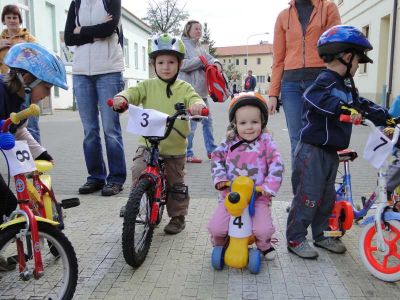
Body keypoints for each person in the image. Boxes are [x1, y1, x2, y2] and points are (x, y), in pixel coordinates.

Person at [286, 25, 393, 259]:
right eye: (357, 62)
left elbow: (362, 105)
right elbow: (313, 97)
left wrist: (387, 117)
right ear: (347, 57)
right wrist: (341, 109)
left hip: (331, 152)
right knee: (308, 197)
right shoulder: (325, 80)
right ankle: (295, 237)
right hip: (312, 151)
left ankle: (322, 234)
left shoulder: (346, 86)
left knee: (327, 199)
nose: (357, 67)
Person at [112, 34, 206, 234]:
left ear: (179, 64)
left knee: (175, 184)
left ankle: (178, 217)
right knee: (138, 168)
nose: (165, 66)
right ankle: (134, 203)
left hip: (174, 146)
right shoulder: (147, 85)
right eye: (160, 62)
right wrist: (122, 97)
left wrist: (197, 105)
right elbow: (133, 93)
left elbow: (194, 98)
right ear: (154, 64)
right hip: (148, 143)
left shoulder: (184, 87)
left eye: (171, 62)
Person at [0, 42, 68, 270]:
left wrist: (41, 152)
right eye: (47, 88)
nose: (47, 96)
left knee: (10, 205)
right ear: (27, 80)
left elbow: (19, 130)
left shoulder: (21, 101)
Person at [207, 92, 284, 259]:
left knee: (263, 229)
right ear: (235, 123)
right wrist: (220, 179)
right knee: (216, 227)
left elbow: (277, 164)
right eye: (243, 122)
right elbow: (216, 158)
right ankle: (220, 244)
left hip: (257, 196)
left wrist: (268, 187)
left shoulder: (266, 142)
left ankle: (264, 244)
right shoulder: (229, 141)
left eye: (254, 122)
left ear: (262, 121)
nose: (249, 127)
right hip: (231, 195)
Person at [64, 0, 126, 196]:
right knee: (89, 130)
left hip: (109, 70)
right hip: (82, 72)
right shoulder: (76, 3)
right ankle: (96, 177)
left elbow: (109, 29)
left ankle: (116, 179)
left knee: (110, 129)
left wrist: (80, 30)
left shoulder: (111, 1)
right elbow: (68, 38)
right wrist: (93, 33)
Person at [267, 0, 341, 164]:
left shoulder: (328, 8)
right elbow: (278, 59)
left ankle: (320, 184)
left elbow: (336, 48)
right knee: (296, 138)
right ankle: (300, 186)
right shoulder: (283, 16)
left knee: (320, 135)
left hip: (319, 81)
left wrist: (336, 82)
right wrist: (273, 94)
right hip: (290, 85)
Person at [178, 20, 218, 163]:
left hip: (202, 93)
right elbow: (181, 65)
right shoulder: (181, 45)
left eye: (200, 29)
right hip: (189, 93)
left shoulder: (200, 46)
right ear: (187, 30)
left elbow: (210, 58)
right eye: (196, 29)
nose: (199, 31)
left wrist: (216, 63)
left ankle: (212, 151)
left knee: (208, 122)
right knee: (192, 125)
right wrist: (200, 60)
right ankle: (188, 153)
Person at [0, 4, 40, 143]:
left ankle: (37, 160)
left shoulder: (29, 39)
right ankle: (18, 162)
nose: (12, 20)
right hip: (7, 88)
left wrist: (24, 48)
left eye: (15, 17)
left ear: (19, 20)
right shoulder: (0, 40)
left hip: (27, 87)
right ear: (4, 20)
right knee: (12, 125)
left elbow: (38, 60)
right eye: (8, 17)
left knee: (31, 125)